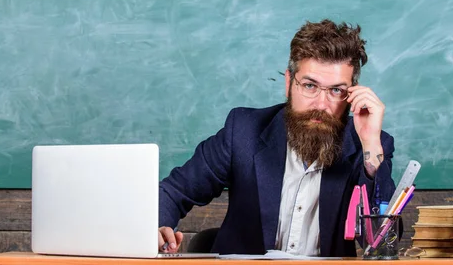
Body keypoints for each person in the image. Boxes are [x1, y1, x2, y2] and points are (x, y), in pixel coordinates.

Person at [158, 19, 396, 257]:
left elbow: (382, 245)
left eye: (336, 90)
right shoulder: (243, 131)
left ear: (351, 94)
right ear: (289, 81)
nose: (321, 105)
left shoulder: (369, 146)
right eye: (310, 86)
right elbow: (173, 191)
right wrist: (157, 229)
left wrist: (371, 146)